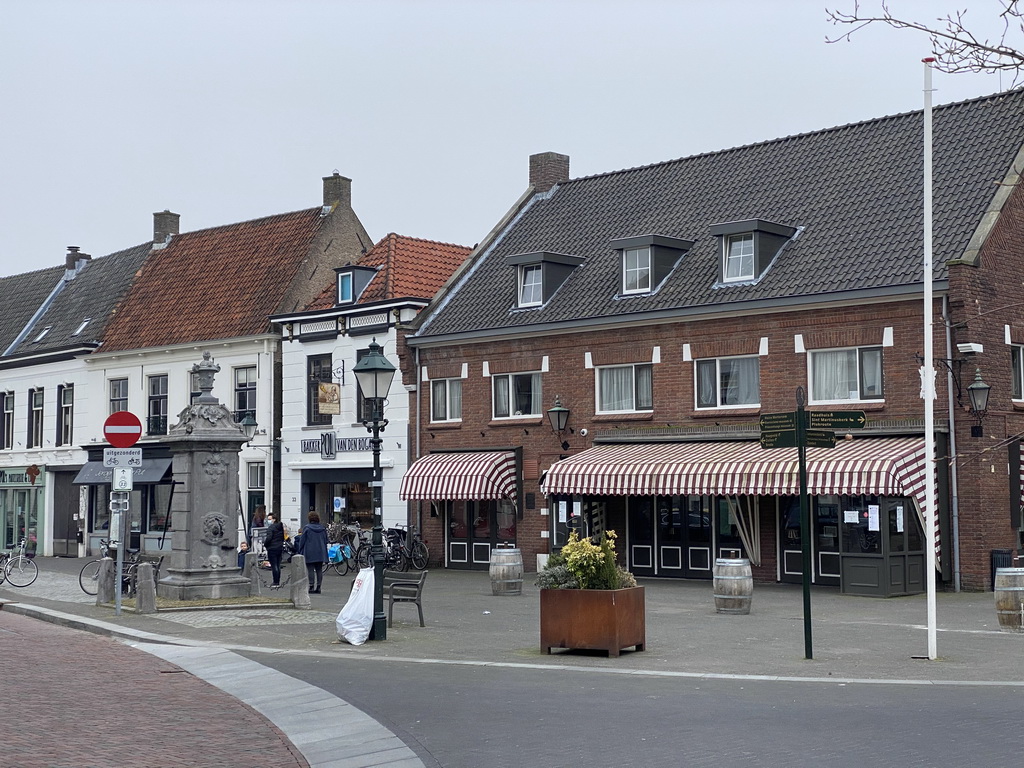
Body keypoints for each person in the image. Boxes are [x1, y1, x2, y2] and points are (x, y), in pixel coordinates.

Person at [295, 511, 329, 594]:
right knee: (319, 570)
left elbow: (302, 541)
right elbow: (326, 540)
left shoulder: (307, 528)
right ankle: (319, 587)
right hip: (320, 551)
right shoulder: (322, 528)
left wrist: (299, 550)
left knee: (310, 569)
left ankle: (311, 586)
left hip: (309, 551)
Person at [262, 512, 285, 589]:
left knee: (274, 565)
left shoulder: (271, 528)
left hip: (272, 548)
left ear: (274, 520)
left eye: (269, 519)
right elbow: (282, 537)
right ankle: (277, 580)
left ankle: (275, 582)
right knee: (278, 565)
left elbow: (269, 538)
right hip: (279, 547)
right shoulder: (280, 527)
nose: (268, 521)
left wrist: (265, 544)